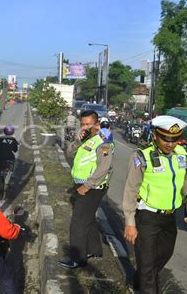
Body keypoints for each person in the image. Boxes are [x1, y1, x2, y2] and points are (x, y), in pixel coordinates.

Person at [123, 115, 187, 293]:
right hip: (147, 217)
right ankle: (146, 285)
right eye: (165, 138)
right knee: (148, 266)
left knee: (163, 255)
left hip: (170, 217)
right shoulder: (141, 157)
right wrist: (130, 223)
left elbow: (182, 182)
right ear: (155, 135)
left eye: (175, 139)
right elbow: (130, 190)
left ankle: (137, 280)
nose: (170, 144)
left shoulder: (181, 155)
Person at [59, 109, 114, 269]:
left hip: (92, 187)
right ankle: (94, 249)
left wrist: (86, 186)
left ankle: (77, 258)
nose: (84, 127)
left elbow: (104, 168)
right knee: (88, 219)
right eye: (82, 124)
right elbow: (69, 154)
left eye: (88, 124)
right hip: (84, 185)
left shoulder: (103, 141)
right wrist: (77, 141)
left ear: (97, 124)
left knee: (78, 222)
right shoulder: (87, 139)